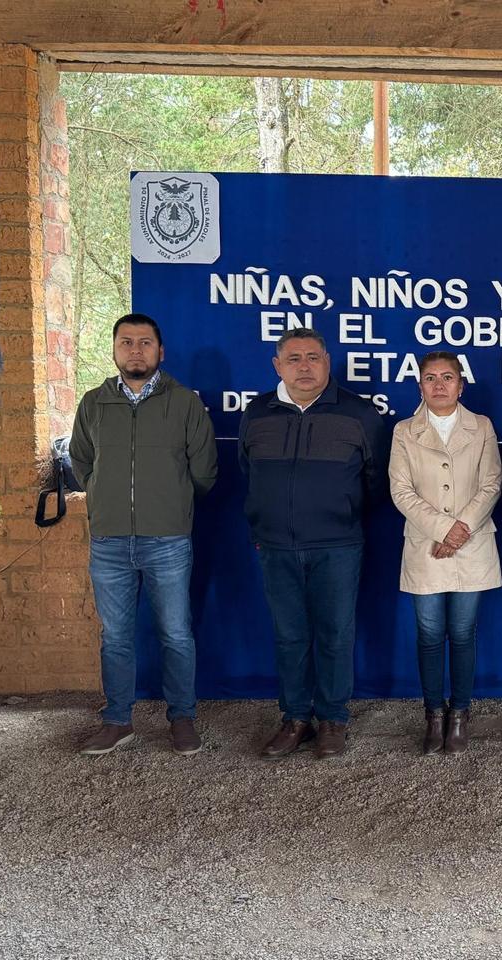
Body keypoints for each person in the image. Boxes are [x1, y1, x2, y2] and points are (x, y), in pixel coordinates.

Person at [70, 313, 218, 756]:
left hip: (167, 540)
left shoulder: (185, 403)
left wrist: (169, 503)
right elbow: (81, 464)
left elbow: (205, 471)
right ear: (115, 350)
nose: (136, 350)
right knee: (115, 635)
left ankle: (182, 718)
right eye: (127, 343)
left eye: (145, 343)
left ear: (160, 351)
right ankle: (117, 721)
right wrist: (104, 498)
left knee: (176, 632)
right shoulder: (93, 403)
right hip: (110, 542)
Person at [239, 327, 388, 760]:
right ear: (277, 365)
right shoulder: (257, 413)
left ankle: (333, 720)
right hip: (275, 546)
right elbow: (248, 473)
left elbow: (375, 480)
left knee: (335, 635)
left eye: (313, 357)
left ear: (327, 361)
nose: (304, 367)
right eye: (293, 358)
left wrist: (340, 512)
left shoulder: (359, 414)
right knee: (289, 636)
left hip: (338, 544)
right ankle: (295, 718)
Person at [389, 351, 502, 755]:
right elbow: (400, 490)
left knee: (463, 632)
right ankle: (434, 713)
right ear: (420, 385)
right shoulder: (404, 430)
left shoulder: (482, 427)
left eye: (447, 377)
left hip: (471, 543)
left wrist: (458, 531)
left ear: (461, 384)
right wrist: (441, 529)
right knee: (430, 633)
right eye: (430, 378)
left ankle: (460, 713)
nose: (439, 385)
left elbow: (491, 484)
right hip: (425, 546)